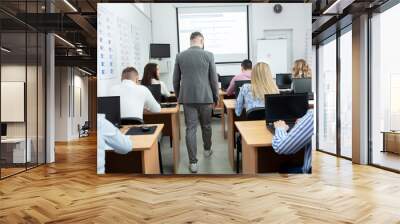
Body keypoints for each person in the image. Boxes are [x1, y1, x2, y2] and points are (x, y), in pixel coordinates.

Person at [173, 31, 219, 173]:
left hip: (187, 98)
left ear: (191, 41)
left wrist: (178, 95)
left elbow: (175, 79)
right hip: (205, 97)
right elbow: (213, 79)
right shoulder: (208, 55)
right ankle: (206, 149)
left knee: (190, 129)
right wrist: (215, 96)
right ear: (202, 41)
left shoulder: (180, 56)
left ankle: (193, 162)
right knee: (206, 125)